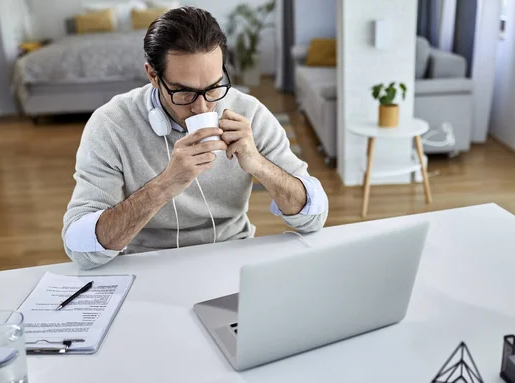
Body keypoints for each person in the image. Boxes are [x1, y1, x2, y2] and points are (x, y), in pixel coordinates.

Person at [62, 6, 328, 270]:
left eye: (213, 88)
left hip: (232, 256)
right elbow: (80, 249)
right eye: (184, 92)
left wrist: (258, 163)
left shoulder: (249, 113)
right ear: (153, 76)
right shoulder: (111, 124)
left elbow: (314, 217)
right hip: (144, 265)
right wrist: (165, 185)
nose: (202, 107)